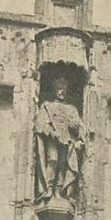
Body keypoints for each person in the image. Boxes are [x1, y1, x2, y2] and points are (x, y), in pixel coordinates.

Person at [34, 77, 85, 206]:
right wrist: (51, 131)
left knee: (63, 164)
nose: (62, 92)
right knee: (53, 160)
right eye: (59, 89)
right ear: (54, 90)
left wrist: (75, 127)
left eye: (64, 89)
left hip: (66, 140)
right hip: (52, 139)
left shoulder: (71, 108)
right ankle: (48, 188)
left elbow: (79, 125)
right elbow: (41, 124)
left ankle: (59, 190)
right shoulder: (47, 106)